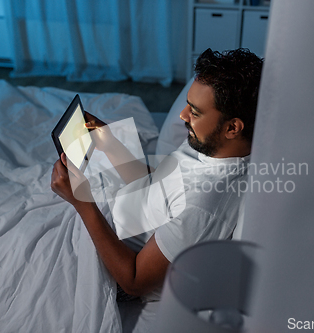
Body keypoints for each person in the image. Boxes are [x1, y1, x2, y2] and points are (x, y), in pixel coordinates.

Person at [51, 48, 263, 301]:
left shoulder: (203, 206)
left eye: (195, 112)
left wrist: (82, 202)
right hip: (120, 218)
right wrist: (110, 143)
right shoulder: (212, 146)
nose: (183, 116)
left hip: (114, 261)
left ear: (232, 127)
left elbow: (133, 281)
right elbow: (161, 185)